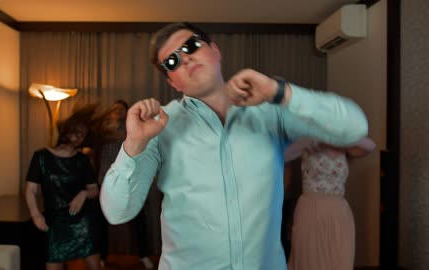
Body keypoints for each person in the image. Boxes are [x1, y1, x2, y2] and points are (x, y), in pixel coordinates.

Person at [99, 22, 369, 269]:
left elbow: (355, 127)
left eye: (191, 45)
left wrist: (280, 92)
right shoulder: (160, 126)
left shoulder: (271, 109)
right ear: (172, 81)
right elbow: (116, 212)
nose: (186, 58)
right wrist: (133, 143)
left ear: (214, 50)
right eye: (172, 61)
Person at [25, 106, 103, 270]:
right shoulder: (41, 157)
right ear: (67, 131)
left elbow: (94, 190)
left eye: (83, 134)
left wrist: (83, 194)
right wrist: (35, 214)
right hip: (54, 223)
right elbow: (31, 190)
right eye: (78, 132)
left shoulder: (82, 160)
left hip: (82, 222)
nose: (80, 137)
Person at [285, 137, 376, 270]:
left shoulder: (344, 142)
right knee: (309, 260)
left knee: (339, 261)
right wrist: (313, 139)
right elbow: (283, 154)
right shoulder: (308, 139)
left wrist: (340, 133)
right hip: (311, 209)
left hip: (338, 212)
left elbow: (370, 146)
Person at [95, 100, 155, 269]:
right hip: (105, 181)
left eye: (121, 109)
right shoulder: (103, 129)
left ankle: (144, 256)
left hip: (131, 181)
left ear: (127, 111)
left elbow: (140, 141)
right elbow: (94, 142)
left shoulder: (132, 126)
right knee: (102, 223)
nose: (118, 112)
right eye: (115, 109)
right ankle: (102, 257)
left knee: (138, 221)